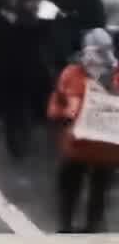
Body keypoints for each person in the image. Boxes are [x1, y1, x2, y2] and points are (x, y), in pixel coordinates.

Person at [47, 28, 119, 233]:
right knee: (72, 184)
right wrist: (63, 114)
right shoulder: (71, 74)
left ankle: (90, 225)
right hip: (78, 145)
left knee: (97, 185)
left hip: (104, 147)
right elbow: (56, 105)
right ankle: (68, 225)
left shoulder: (114, 76)